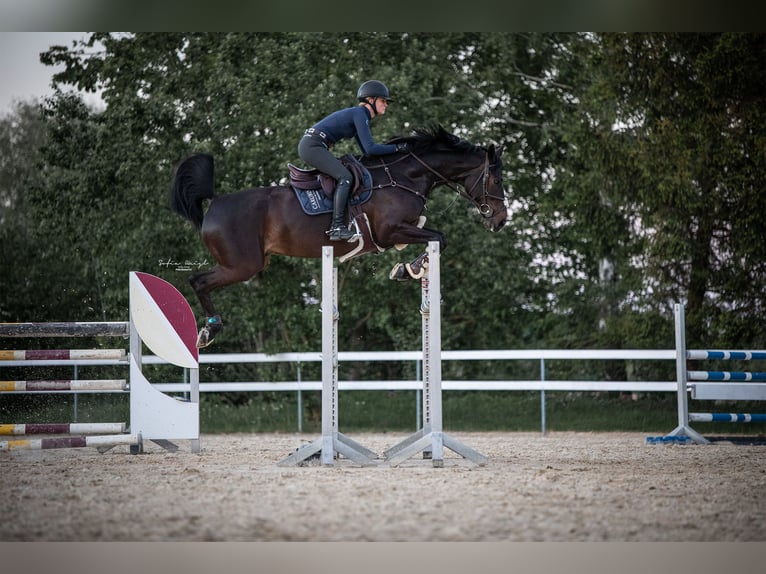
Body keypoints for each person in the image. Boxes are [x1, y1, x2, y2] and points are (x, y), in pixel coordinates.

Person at [298, 80, 411, 241]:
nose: (386, 104)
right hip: (312, 146)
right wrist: (397, 148)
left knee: (349, 172)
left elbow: (367, 152)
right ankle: (337, 227)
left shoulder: (359, 116)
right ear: (370, 100)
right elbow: (371, 148)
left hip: (313, 145)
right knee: (345, 177)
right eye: (383, 100)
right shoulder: (359, 114)